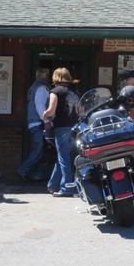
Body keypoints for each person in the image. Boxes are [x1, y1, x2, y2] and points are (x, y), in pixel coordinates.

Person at [42, 67, 79, 197]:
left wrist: (44, 115)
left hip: (62, 127)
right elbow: (81, 110)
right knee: (63, 157)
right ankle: (52, 185)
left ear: (55, 77)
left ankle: (66, 187)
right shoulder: (74, 92)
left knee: (64, 159)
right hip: (74, 128)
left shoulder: (55, 91)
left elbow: (51, 110)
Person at [17, 68, 50, 181]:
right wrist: (46, 121)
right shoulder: (41, 88)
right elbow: (40, 105)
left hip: (34, 122)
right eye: (47, 75)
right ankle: (23, 170)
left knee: (39, 151)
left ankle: (35, 174)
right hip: (39, 123)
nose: (48, 77)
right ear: (44, 76)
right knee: (37, 151)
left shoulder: (33, 87)